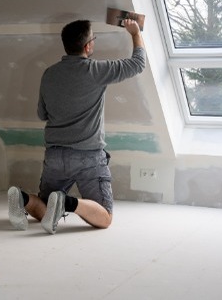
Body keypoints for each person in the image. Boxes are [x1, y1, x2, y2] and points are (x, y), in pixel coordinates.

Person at [8, 18, 145, 234]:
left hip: (55, 156)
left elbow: (42, 114)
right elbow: (138, 64)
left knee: (44, 209)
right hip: (88, 157)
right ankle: (67, 203)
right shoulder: (97, 70)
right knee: (105, 217)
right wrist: (135, 33)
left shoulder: (49, 74)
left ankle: (23, 199)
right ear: (88, 46)